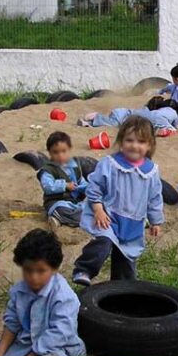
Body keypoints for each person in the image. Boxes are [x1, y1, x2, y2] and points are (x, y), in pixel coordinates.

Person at [72, 116, 165, 285]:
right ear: (121, 141)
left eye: (141, 141)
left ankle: (121, 290)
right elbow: (95, 187)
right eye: (129, 140)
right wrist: (98, 209)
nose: (134, 145)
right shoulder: (110, 164)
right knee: (103, 243)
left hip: (133, 222)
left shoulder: (151, 172)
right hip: (108, 216)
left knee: (126, 259)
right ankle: (84, 269)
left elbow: (154, 198)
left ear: (150, 145)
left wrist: (155, 221)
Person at [37, 131, 87, 230]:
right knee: (61, 209)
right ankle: (58, 218)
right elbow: (48, 186)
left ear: (69, 150)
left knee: (94, 205)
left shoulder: (74, 165)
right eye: (55, 152)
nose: (60, 155)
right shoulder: (48, 169)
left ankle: (67, 219)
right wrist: (65, 185)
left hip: (76, 202)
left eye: (64, 151)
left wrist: (86, 187)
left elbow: (81, 180)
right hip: (57, 201)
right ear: (49, 152)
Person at [77, 96, 178, 136]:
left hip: (121, 113)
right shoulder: (159, 116)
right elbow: (173, 126)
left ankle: (87, 123)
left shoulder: (148, 112)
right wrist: (172, 129)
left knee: (108, 122)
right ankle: (95, 116)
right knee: (110, 123)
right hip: (121, 116)